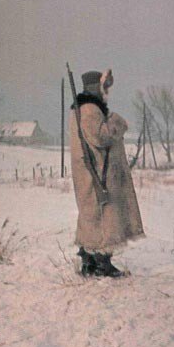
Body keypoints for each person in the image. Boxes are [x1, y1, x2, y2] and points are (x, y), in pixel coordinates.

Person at [71, 69, 144, 277]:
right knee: (105, 218)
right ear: (96, 87)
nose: (107, 92)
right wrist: (116, 121)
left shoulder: (83, 108)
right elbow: (101, 137)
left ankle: (89, 262)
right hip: (99, 174)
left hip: (91, 172)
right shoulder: (90, 109)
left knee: (91, 216)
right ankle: (102, 264)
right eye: (105, 87)